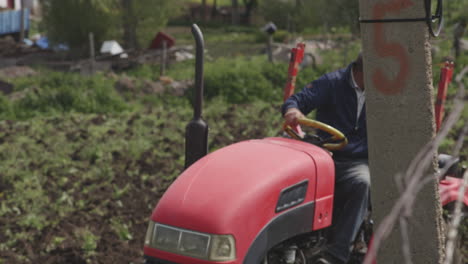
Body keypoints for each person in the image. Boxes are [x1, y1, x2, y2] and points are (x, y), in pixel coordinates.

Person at [281, 53, 370, 264]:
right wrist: (293, 111)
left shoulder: (384, 93)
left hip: (357, 160)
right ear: (361, 71)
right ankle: (287, 245)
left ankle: (336, 255)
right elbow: (296, 101)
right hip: (323, 154)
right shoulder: (333, 82)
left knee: (362, 182)